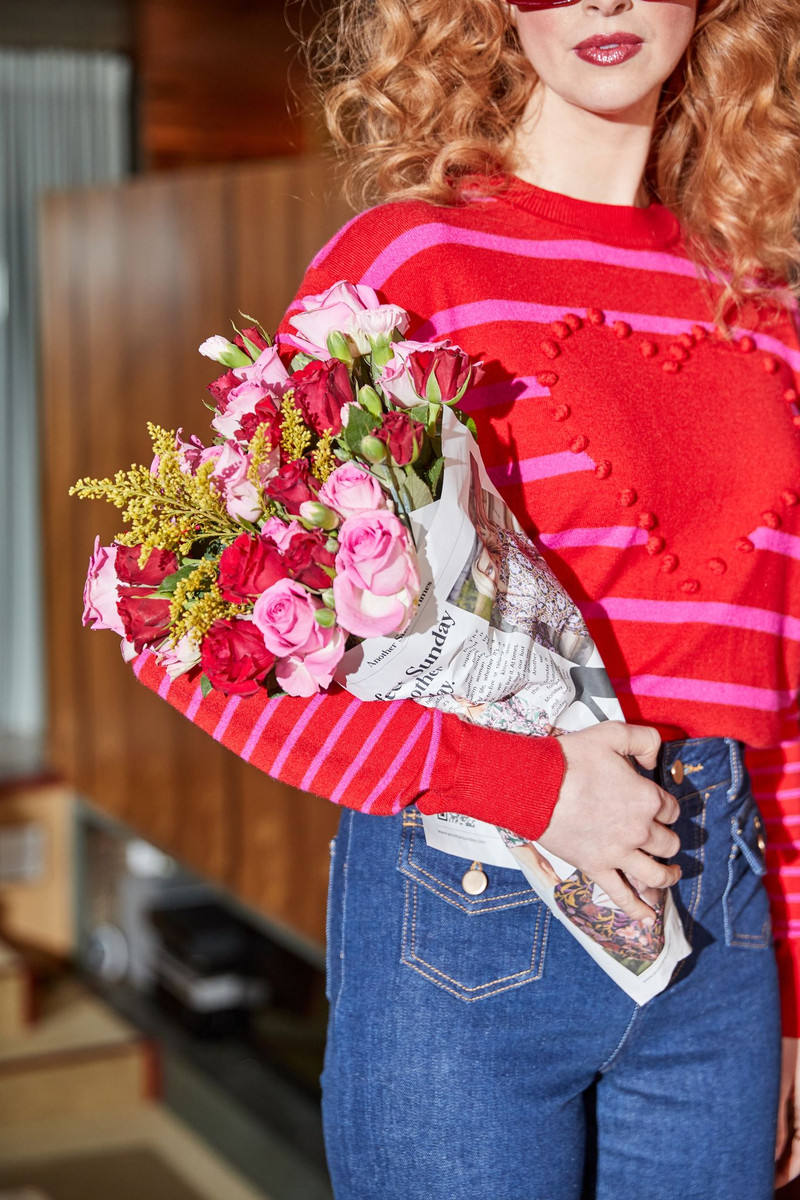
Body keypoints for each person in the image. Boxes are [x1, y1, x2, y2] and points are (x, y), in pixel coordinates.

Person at [134, 0, 800, 1194]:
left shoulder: (761, 309)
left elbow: (780, 683)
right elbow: (195, 640)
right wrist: (530, 785)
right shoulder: (408, 264)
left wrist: (794, 987)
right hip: (473, 897)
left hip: (723, 938)